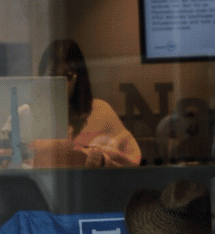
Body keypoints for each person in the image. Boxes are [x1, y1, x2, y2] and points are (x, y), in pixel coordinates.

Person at [33, 38, 140, 167]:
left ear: (79, 78)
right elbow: (6, 159)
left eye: (67, 76)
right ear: (41, 77)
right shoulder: (27, 114)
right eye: (52, 75)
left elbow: (133, 160)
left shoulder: (100, 112)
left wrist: (104, 161)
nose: (60, 84)